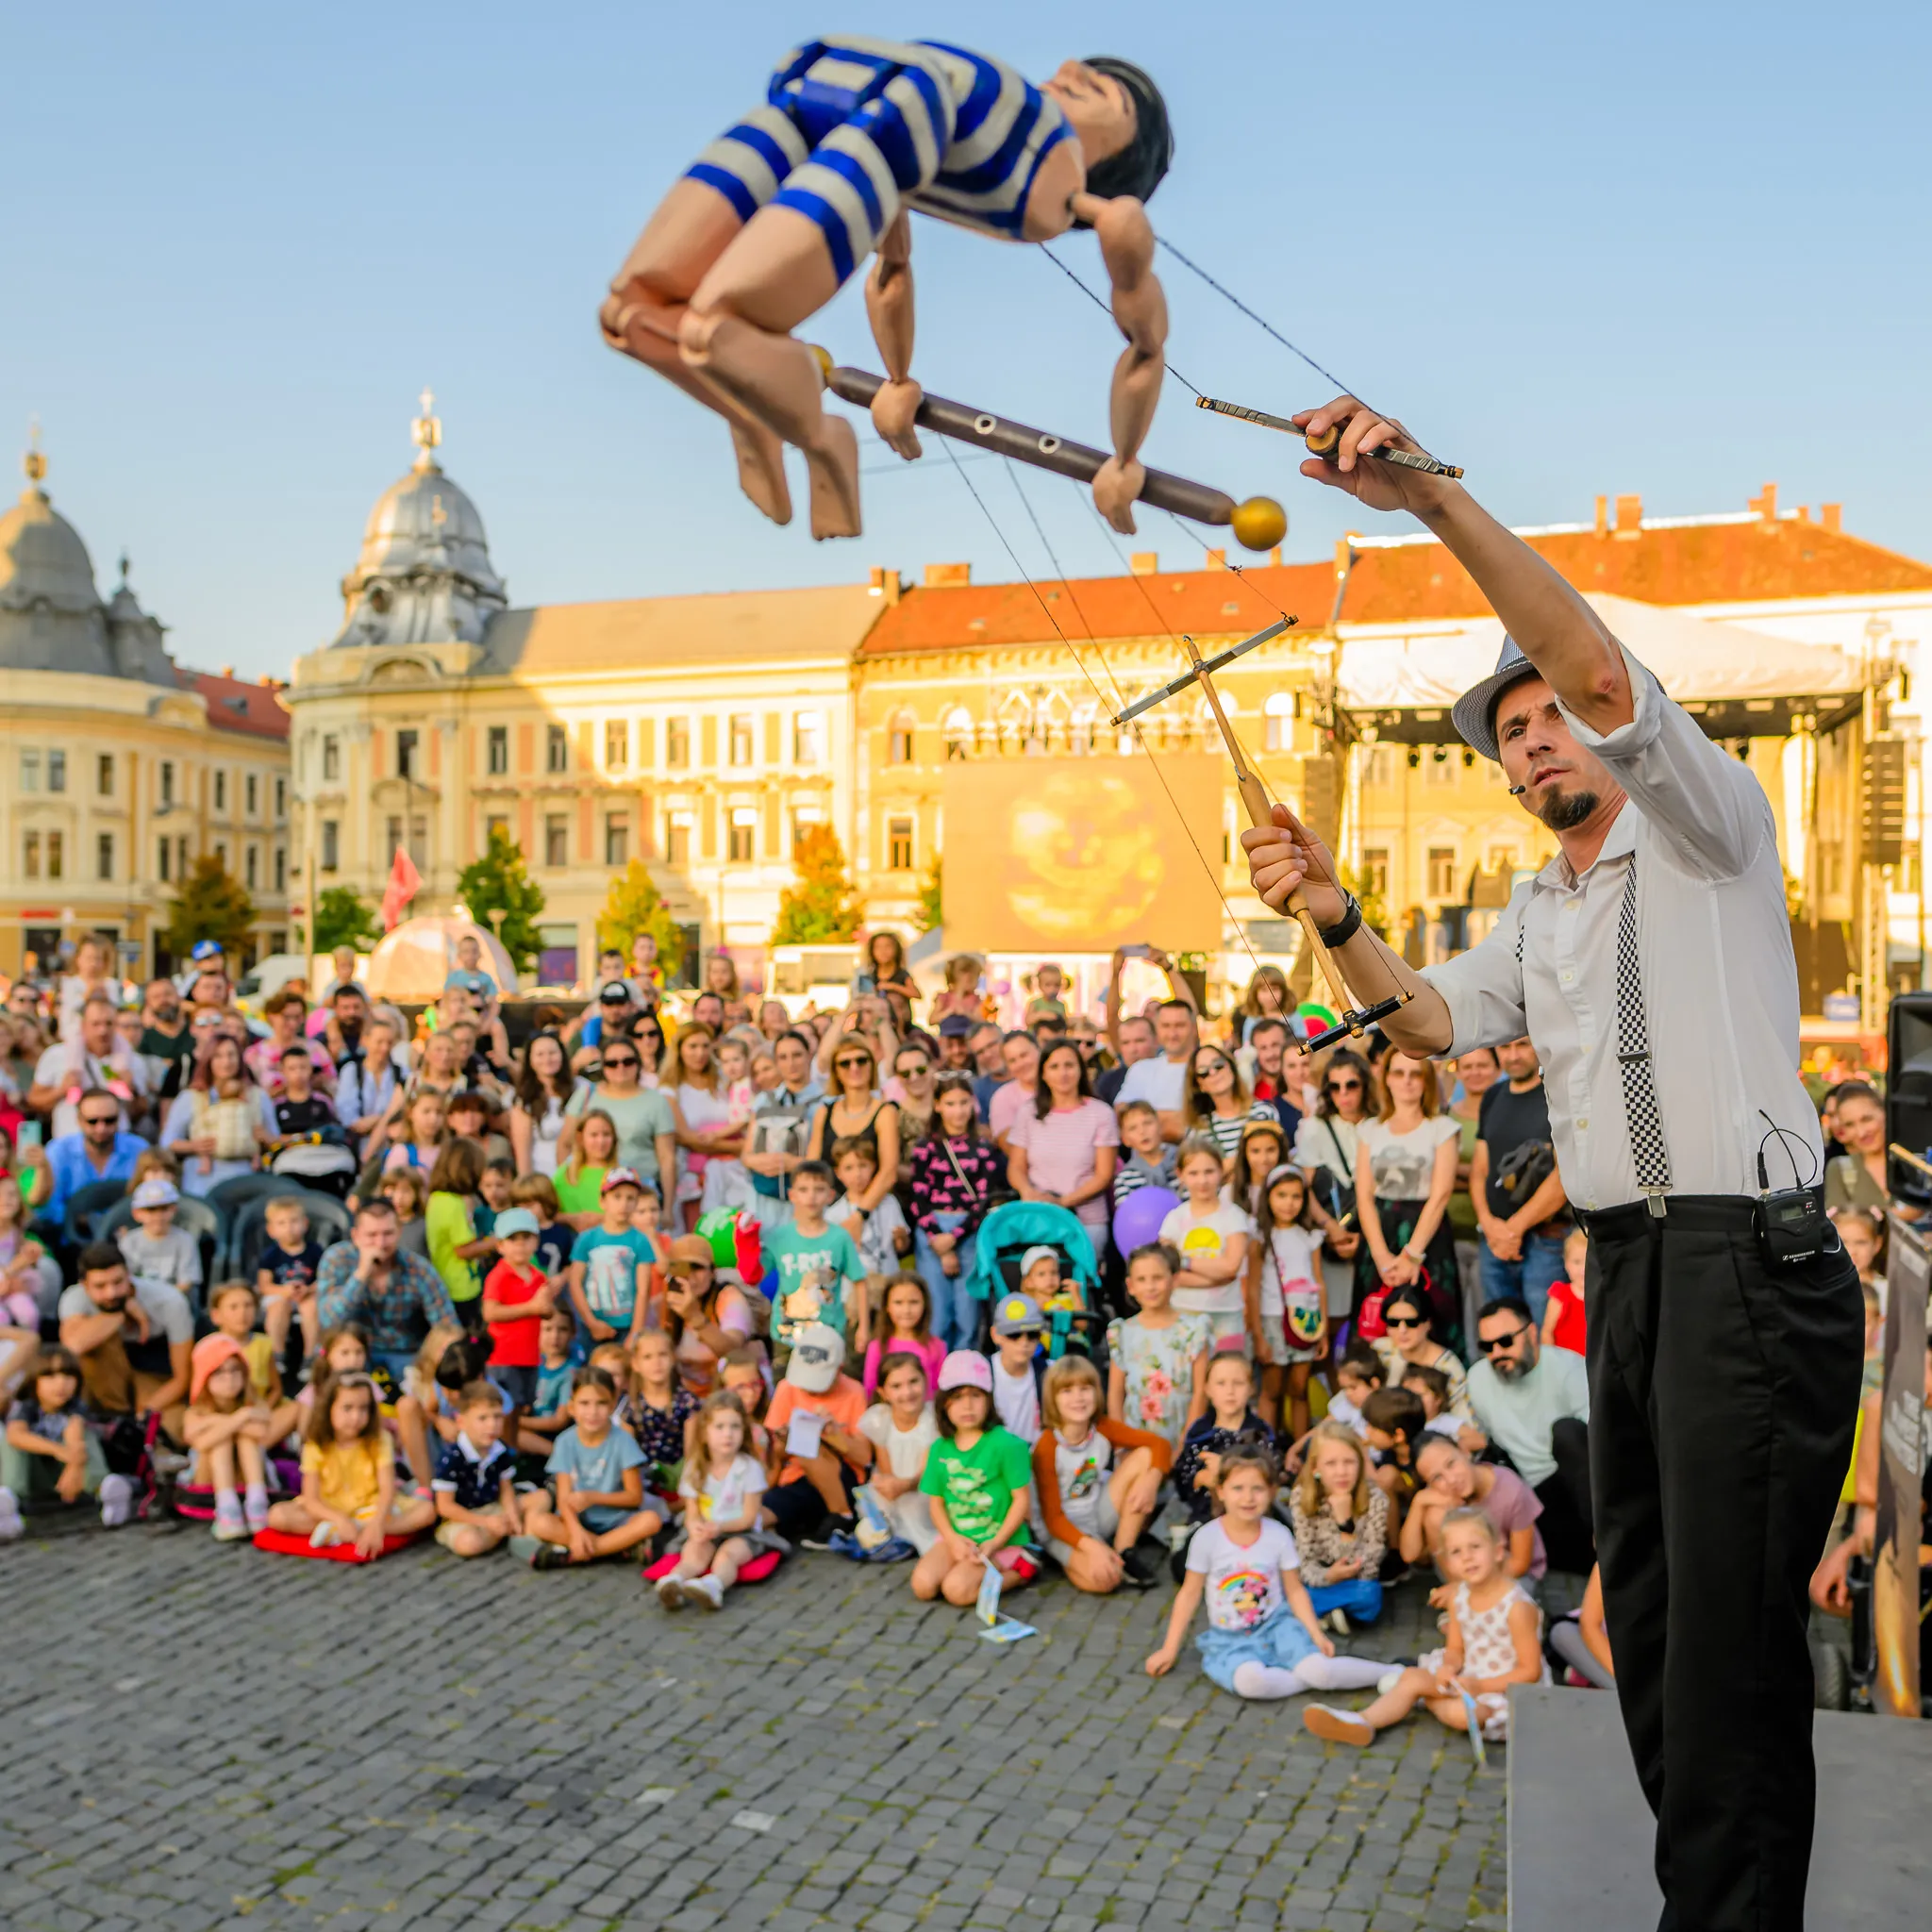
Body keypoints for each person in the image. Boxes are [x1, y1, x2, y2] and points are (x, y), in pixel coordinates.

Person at [1242, 391, 1863, 1932]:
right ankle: (1719, 1895)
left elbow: (1587, 660)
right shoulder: (1539, 907)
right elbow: (1426, 1018)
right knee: (1640, 1622)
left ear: (1612, 724)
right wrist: (1329, 911)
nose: (1530, 740)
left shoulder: (1709, 824)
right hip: (1633, 1272)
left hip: (1747, 1261)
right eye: (1508, 736)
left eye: (1547, 717)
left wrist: (1429, 502)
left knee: (1724, 1658)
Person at [1145, 1444, 1388, 1700]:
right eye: (1238, 1488)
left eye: (1257, 1489)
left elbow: (1295, 1591)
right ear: (1221, 1491)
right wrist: (1169, 1649)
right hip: (1231, 1640)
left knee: (1319, 1669)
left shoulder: (1278, 1535)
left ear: (1272, 1492)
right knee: (1251, 1683)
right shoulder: (1206, 1538)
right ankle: (1312, 1680)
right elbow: (1189, 1594)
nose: (1248, 1498)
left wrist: (1315, 1634)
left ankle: (1393, 1672)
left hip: (1279, 1627)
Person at [1304, 1507, 1546, 1748]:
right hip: (1469, 1676)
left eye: (1475, 1547)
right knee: (1411, 1677)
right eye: (1456, 1552)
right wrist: (1449, 1667)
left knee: (1462, 1713)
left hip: (1506, 1689)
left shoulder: (1516, 1607)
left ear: (1498, 1551)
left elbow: (1530, 1671)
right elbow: (1455, 1649)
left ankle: (1420, 1698)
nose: (1467, 1557)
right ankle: (1363, 1721)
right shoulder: (1459, 1597)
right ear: (1447, 1563)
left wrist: (1480, 1686)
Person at [1463, 1297, 1592, 1573]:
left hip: (1577, 1482)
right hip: (1530, 1494)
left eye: (1505, 1341)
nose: (1497, 1353)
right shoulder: (1477, 1379)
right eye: (1487, 1346)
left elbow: (1594, 1442)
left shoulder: (1569, 1368)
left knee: (1567, 1433)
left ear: (1532, 1333)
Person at [912, 1350, 1041, 1607]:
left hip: (999, 1541)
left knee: (957, 1591)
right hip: (957, 1538)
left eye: (976, 1395)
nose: (967, 1406)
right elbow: (936, 1502)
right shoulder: (939, 1448)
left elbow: (1021, 1500)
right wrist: (953, 1540)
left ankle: (1020, 1570)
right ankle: (964, 1567)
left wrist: (995, 1543)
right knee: (922, 1585)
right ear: (944, 1403)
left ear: (989, 1399)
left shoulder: (1007, 1445)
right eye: (957, 1397)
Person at [1030, 1354, 1166, 1591]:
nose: (1078, 1398)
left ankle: (1125, 1551)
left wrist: (1151, 1482)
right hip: (1060, 1530)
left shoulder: (1102, 1427)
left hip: (1095, 1514)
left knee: (1145, 1456)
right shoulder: (1047, 1447)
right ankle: (1067, 1558)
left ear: (1096, 1392)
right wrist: (1093, 1548)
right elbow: (1053, 1520)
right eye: (1067, 1391)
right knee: (1105, 1581)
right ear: (1053, 1399)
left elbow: (1159, 1445)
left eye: (1085, 1388)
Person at [268, 1371, 436, 1557]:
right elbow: (311, 1499)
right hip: (330, 1509)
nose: (356, 1417)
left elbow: (387, 1490)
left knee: (427, 1511)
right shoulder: (315, 1444)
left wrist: (377, 1524)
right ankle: (344, 1527)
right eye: (347, 1408)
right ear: (329, 1408)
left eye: (363, 1409)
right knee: (277, 1515)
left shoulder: (379, 1439)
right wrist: (339, 1518)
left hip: (371, 1508)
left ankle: (349, 1530)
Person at [515, 1365, 665, 1569]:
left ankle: (582, 1552)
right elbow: (564, 1498)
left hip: (616, 1521)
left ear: (612, 1405)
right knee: (538, 1523)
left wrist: (593, 1497)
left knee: (650, 1520)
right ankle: (614, 1548)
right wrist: (576, 1531)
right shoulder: (565, 1442)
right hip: (579, 1521)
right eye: (584, 1403)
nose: (592, 1412)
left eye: (601, 1403)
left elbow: (634, 1497)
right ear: (572, 1407)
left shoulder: (623, 1441)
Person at [1468, 1036, 1570, 1322]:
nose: (1513, 1055)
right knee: (1499, 1329)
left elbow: (1563, 1176)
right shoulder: (1492, 1096)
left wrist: (1512, 1230)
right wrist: (1489, 1226)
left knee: (1544, 1331)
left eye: (1522, 1045)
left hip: (1546, 1240)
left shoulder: (1557, 1096)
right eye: (1505, 1047)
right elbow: (1479, 1170)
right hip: (1493, 1240)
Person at [313, 1198, 460, 1385]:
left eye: (388, 1233)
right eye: (372, 1235)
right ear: (355, 1236)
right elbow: (328, 1320)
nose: (380, 1243)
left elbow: (447, 1325)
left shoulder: (418, 1268)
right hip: (352, 1352)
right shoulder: (337, 1259)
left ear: (399, 1231)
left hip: (404, 1353)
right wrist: (361, 1275)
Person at [906, 1072, 1004, 1350]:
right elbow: (918, 1197)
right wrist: (939, 1238)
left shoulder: (983, 1148)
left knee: (967, 1314)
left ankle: (966, 1367)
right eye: (950, 1103)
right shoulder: (926, 1147)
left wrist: (955, 1237)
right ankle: (936, 1369)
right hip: (932, 1231)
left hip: (968, 1231)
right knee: (936, 1314)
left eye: (963, 1103)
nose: (958, 1111)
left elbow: (983, 1200)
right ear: (938, 1105)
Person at [654, 1391, 774, 1611]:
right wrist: (695, 1527)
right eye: (719, 1427)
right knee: (693, 1553)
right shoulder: (695, 1468)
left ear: (744, 1431)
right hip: (708, 1530)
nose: (728, 1434)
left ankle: (714, 1585)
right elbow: (691, 1513)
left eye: (735, 1427)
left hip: (742, 1532)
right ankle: (674, 1581)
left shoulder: (749, 1468)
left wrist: (720, 1527)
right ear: (705, 1432)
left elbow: (748, 1518)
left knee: (727, 1555)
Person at [58, 1242, 192, 1437]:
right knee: (96, 1342)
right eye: (100, 1286)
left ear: (129, 1275)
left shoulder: (169, 1301)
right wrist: (119, 1313)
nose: (111, 1293)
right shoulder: (74, 1298)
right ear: (85, 1285)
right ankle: (109, 1420)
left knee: (172, 1429)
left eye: (118, 1282)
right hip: (108, 1381)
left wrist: (144, 1414)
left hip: (156, 1372)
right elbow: (74, 1345)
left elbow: (182, 1378)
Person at [0, 1344, 137, 1528]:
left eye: (68, 1376)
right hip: (34, 1477)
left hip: (72, 1476)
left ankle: (105, 1491)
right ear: (34, 1380)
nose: (61, 1384)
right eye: (50, 1376)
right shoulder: (26, 1407)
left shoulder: (76, 1406)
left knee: (85, 1436)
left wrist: (73, 1465)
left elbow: (75, 1435)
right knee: (12, 1442)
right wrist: (58, 1451)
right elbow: (16, 1435)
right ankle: (8, 1502)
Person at [761, 1322, 873, 1544]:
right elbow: (774, 1455)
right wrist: (784, 1442)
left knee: (808, 1445)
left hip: (842, 1479)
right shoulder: (787, 1388)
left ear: (839, 1369)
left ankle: (842, 1517)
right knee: (763, 1514)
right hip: (797, 1477)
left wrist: (834, 1435)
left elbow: (865, 1458)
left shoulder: (854, 1392)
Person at [1008, 1039, 1119, 1257]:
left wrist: (1061, 1203)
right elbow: (1016, 1167)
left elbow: (1104, 1175)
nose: (1063, 1073)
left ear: (1081, 1070)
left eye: (1069, 1065)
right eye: (1054, 1067)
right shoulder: (1028, 1112)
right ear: (1043, 1073)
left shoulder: (1101, 1113)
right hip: (1038, 1220)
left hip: (1086, 1222)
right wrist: (1028, 1192)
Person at [1401, 1433, 1546, 1587]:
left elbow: (1519, 1564)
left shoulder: (1510, 1488)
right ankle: (1457, 1589)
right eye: (1437, 1477)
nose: (1451, 1480)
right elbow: (1409, 1555)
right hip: (1466, 1573)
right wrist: (1418, 1503)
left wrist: (1478, 1590)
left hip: (1510, 1572)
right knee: (1434, 1515)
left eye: (1451, 1464)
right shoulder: (1441, 1494)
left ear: (1464, 1451)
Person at [1106, 1241, 1209, 1452]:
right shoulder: (1122, 1332)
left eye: (1158, 1278)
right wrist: (1121, 1446)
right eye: (1141, 1280)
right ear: (1130, 1286)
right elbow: (1115, 1393)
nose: (1150, 1287)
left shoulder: (1194, 1330)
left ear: (1175, 1280)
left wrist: (1185, 1446)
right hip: (1136, 1443)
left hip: (1180, 1438)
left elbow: (1200, 1392)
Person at [1289, 1422, 1390, 1632]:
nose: (1341, 1472)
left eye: (1349, 1462)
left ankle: (1318, 1613)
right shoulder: (1301, 1497)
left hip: (1357, 1582)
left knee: (1369, 1595)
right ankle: (1334, 1614)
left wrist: (1345, 1524)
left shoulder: (1376, 1499)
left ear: (1360, 1465)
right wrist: (1328, 1576)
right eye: (1331, 1464)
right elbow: (1305, 1559)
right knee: (1291, 1587)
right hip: (1319, 1578)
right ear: (1316, 1468)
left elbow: (1369, 1567)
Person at [1250, 1165, 1326, 1439]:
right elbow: (1253, 1288)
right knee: (1272, 1389)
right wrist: (1258, 1335)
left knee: (1299, 1387)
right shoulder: (1260, 1236)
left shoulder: (1309, 1235)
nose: (1289, 1203)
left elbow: (1319, 1281)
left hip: (1307, 1316)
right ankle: (1267, 1447)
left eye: (1296, 1196)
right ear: (1268, 1197)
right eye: (1281, 1195)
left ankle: (1301, 1447)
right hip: (1272, 1316)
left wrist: (1323, 1329)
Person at [1292, 1050, 1368, 1323]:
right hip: (1331, 1233)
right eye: (1335, 1087)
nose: (1343, 1094)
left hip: (1375, 1234)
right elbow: (1304, 1186)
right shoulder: (1315, 1127)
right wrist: (1330, 1228)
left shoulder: (1379, 1123)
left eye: (1351, 1085)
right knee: (1334, 1317)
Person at [1158, 1133, 1252, 1351]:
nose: (1202, 1181)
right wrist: (1216, 1279)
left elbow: (1231, 1266)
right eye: (1193, 1173)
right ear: (1180, 1175)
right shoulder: (1174, 1219)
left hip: (1226, 1314)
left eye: (1209, 1172)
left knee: (1228, 1368)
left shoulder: (1233, 1216)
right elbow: (1169, 1273)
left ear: (1221, 1171)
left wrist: (1185, 1261)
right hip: (1183, 1311)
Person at [560, 1034, 676, 1206]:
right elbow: (565, 1143)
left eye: (628, 1061)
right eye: (612, 1063)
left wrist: (668, 1207)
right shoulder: (586, 1094)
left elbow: (667, 1157)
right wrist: (570, 1183)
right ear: (603, 1066)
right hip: (590, 1190)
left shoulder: (656, 1101)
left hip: (641, 1194)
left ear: (638, 1063)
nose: (620, 1067)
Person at [762, 1159, 863, 1352]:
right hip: (786, 1335)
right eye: (803, 1189)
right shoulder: (778, 1237)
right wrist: (746, 1242)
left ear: (830, 1195)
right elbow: (754, 1275)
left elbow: (859, 1280)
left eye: (819, 1189)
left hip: (829, 1335)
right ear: (792, 1195)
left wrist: (863, 1329)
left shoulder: (840, 1237)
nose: (811, 1196)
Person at [182, 1335, 275, 1540]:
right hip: (207, 1480)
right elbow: (200, 1443)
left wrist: (216, 1423)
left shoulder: (254, 1403)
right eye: (219, 1372)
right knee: (220, 1441)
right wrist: (239, 1418)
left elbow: (263, 1433)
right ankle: (227, 1507)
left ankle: (257, 1503)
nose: (229, 1379)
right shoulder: (196, 1412)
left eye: (235, 1370)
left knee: (246, 1440)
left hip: (244, 1475)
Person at [1172, 1349, 1274, 1531]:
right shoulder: (1199, 1432)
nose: (1230, 1391)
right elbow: (1183, 1480)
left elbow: (1269, 1476)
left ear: (1251, 1388)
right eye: (1221, 1383)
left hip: (1250, 1518)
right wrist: (1200, 1478)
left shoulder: (1260, 1433)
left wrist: (1226, 1471)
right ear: (1207, 1389)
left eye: (1238, 1383)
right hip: (1203, 1519)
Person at [28, 992, 151, 1138]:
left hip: (117, 1141)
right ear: (83, 1025)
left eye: (109, 1023)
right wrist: (61, 1090)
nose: (103, 1031)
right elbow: (34, 1101)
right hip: (70, 1141)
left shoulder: (133, 1060)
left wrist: (132, 1090)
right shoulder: (57, 1054)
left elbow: (141, 1109)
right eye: (95, 1024)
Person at [855, 1352, 940, 1556]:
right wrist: (887, 1484)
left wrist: (905, 1486)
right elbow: (886, 1468)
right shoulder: (880, 1419)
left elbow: (926, 1473)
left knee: (914, 1511)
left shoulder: (932, 1420)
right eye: (896, 1386)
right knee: (873, 1517)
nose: (907, 1392)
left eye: (913, 1382)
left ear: (925, 1380)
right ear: (883, 1392)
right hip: (895, 1487)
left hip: (923, 1487)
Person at [431, 1380, 524, 1558]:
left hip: (492, 1508)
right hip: (461, 1518)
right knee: (469, 1544)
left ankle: (508, 1529)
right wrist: (485, 1522)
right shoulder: (452, 1456)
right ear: (461, 1421)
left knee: (540, 1498)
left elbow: (506, 1490)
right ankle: (501, 1533)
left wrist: (513, 1517)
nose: (492, 1425)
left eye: (497, 1417)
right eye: (482, 1418)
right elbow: (444, 1506)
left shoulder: (500, 1449)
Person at [806, 1033, 900, 1208]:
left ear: (872, 1065)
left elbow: (888, 1173)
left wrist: (859, 1215)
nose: (854, 1068)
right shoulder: (824, 1113)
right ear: (835, 1071)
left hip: (874, 1209)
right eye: (845, 1063)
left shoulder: (886, 1112)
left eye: (861, 1060)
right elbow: (812, 1168)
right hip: (829, 1211)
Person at [660, 1234, 758, 1400]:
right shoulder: (665, 1300)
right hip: (685, 1399)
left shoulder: (728, 1297)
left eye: (697, 1268)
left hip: (729, 1396)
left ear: (713, 1272)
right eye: (683, 1268)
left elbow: (733, 1351)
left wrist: (694, 1317)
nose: (691, 1277)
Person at [567, 1168, 655, 1346]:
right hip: (592, 1327)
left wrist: (635, 1332)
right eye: (617, 1196)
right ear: (602, 1201)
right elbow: (575, 1282)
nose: (624, 1204)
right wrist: (591, 1322)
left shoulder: (640, 1241)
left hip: (626, 1327)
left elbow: (643, 1290)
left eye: (630, 1198)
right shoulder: (587, 1239)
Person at [670, 1024, 744, 1226]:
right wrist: (737, 1147)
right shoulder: (672, 1089)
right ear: (680, 1049)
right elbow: (686, 1138)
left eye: (705, 1046)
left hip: (732, 1173)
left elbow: (741, 1116)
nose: (700, 1053)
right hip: (692, 1178)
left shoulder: (724, 1081)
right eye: (693, 1046)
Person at [1368, 1288, 1471, 1420]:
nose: (1402, 1330)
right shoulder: (1379, 1349)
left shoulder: (1448, 1367)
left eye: (1412, 1323)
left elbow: (1464, 1421)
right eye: (1394, 1323)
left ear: (1428, 1323)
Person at [1114, 996, 1198, 1143]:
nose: (1172, 1034)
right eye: (1166, 1026)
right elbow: (1122, 1116)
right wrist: (1181, 1119)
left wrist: (1149, 1121)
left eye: (1180, 1025)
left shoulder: (1207, 1069)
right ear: (1157, 1029)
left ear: (1193, 1028)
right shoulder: (1140, 1069)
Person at [510, 1030, 588, 1179]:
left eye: (552, 1053)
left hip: (578, 1173)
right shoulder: (524, 1099)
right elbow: (523, 1152)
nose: (547, 1059)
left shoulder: (582, 1088)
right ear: (530, 1060)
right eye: (540, 1054)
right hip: (543, 1176)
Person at [114, 1174, 203, 1303]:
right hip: (139, 1301)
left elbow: (186, 1282)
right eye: (151, 1210)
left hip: (175, 1301)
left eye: (164, 1209)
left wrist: (162, 1300)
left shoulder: (185, 1240)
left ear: (174, 1209)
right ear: (137, 1213)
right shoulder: (129, 1241)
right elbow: (125, 1278)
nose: (158, 1215)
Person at [1184, 1043, 1274, 1168]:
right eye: (1203, 1071)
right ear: (1199, 1084)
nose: (1213, 1072)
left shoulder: (1263, 1112)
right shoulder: (1198, 1130)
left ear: (1230, 1067)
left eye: (1218, 1064)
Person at [861, 1274, 945, 1400]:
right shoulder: (877, 1347)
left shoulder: (936, 1346)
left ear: (925, 1305)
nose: (906, 1310)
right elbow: (870, 1391)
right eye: (898, 1303)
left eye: (914, 1302)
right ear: (887, 1306)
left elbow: (941, 1393)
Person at [1823, 1081, 1890, 1215]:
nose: (1861, 1133)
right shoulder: (1840, 1169)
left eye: (1867, 1119)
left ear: (1885, 1113)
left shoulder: (1911, 1160)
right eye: (1849, 1125)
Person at [554, 1108, 619, 1226]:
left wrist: (602, 1219)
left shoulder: (622, 1174)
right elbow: (547, 1214)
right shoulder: (565, 1174)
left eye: (606, 1134)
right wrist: (572, 1219)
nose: (601, 1141)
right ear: (580, 1138)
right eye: (594, 1135)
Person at [1541, 1226, 1589, 1355]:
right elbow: (1547, 1332)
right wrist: (1553, 1360)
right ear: (1566, 1263)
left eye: (1589, 1262)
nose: (1583, 1269)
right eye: (1577, 1262)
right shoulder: (1560, 1295)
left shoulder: (1604, 1295)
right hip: (1565, 1362)